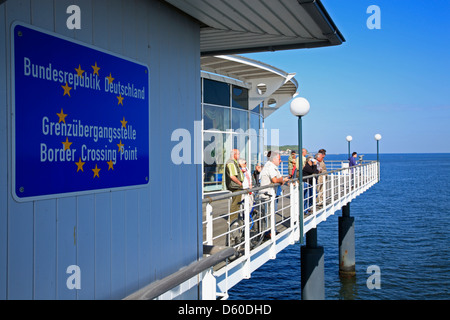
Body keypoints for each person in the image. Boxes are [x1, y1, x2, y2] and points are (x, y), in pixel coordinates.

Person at [260, 151, 289, 217]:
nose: (281, 161)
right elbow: (275, 180)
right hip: (268, 194)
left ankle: (270, 225)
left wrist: (281, 180)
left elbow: (280, 178)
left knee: (271, 212)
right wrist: (281, 180)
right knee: (269, 213)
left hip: (272, 193)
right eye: (279, 159)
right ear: (274, 159)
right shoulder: (270, 167)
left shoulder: (273, 167)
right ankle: (269, 226)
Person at [224, 149, 244, 221]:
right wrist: (240, 183)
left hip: (236, 185)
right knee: (236, 203)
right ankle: (232, 220)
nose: (239, 155)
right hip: (236, 186)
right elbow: (232, 176)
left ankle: (234, 218)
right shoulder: (231, 163)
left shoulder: (233, 162)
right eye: (238, 154)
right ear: (234, 154)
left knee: (236, 203)